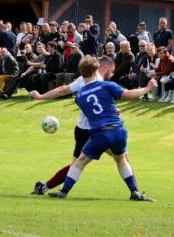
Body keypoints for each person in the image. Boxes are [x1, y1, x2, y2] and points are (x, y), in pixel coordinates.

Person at [44, 55, 156, 201]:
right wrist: (147, 88)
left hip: (100, 134)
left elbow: (92, 111)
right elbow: (127, 94)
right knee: (121, 159)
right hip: (118, 130)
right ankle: (135, 191)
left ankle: (64, 191)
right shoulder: (107, 85)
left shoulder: (80, 97)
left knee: (81, 160)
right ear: (96, 70)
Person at [29, 56, 125, 196]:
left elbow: (63, 89)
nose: (113, 73)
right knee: (121, 158)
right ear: (105, 68)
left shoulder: (84, 79)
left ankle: (45, 187)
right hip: (94, 130)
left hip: (83, 129)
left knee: (76, 164)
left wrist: (41, 96)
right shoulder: (97, 82)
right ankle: (135, 191)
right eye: (112, 70)